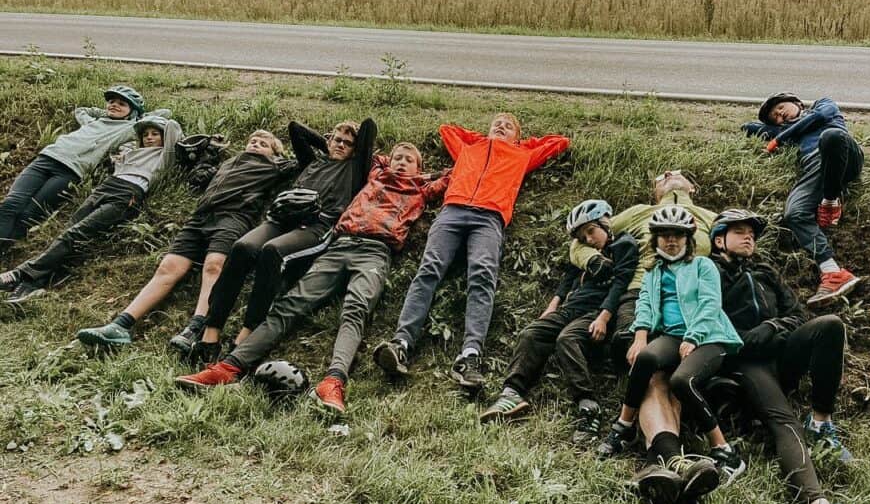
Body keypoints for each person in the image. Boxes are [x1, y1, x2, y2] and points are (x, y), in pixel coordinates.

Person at [174, 143, 450, 414]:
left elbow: (454, 175)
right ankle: (228, 367)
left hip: (375, 252)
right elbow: (368, 145)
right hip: (339, 245)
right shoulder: (374, 175)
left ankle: (333, 382)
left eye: (409, 160)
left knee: (355, 311)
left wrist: (426, 176)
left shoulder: (422, 189)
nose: (401, 162)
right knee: (290, 303)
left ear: (420, 168)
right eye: (397, 157)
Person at [708, 208, 870, 504]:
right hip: (744, 364)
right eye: (739, 231)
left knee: (829, 325)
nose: (749, 236)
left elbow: (796, 314)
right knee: (783, 421)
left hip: (779, 353)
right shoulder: (708, 273)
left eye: (752, 232)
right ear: (719, 239)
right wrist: (744, 339)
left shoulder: (765, 271)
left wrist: (771, 327)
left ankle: (821, 421)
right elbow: (707, 319)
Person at [372, 114, 570, 392]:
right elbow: (447, 129)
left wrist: (518, 145)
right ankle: (401, 343)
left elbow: (560, 141)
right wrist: (484, 141)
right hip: (452, 211)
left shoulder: (522, 155)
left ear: (518, 136)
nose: (501, 125)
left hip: (489, 218)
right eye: (496, 122)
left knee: (482, 277)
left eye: (508, 125)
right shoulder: (469, 148)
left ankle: (470, 356)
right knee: (429, 270)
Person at [76, 130, 295, 349]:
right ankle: (120, 325)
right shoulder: (229, 162)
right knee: (168, 267)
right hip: (200, 216)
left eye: (263, 144)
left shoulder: (275, 166)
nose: (255, 145)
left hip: (234, 216)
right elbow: (197, 178)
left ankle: (196, 328)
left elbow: (303, 160)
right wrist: (209, 154)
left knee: (213, 266)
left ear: (275, 153)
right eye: (252, 141)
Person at [187, 119, 377, 364]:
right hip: (281, 218)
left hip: (316, 225)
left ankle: (246, 333)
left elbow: (369, 129)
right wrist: (329, 144)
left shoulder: (354, 169)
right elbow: (295, 129)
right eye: (337, 140)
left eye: (348, 143)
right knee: (242, 248)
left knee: (272, 251)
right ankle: (211, 334)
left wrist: (348, 142)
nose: (341, 145)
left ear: (355, 148)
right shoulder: (313, 161)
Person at [565, 171, 715, 454]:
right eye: (662, 175)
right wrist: (593, 260)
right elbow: (579, 240)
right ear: (655, 191)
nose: (670, 174)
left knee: (674, 374)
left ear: (692, 188)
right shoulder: (639, 213)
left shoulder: (709, 216)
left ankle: (666, 451)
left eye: (679, 174)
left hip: (687, 304)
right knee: (648, 370)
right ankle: (666, 452)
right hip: (639, 293)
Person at [479, 199, 637, 441]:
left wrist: (604, 317)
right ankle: (512, 393)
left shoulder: (624, 244)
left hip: (596, 312)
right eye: (583, 237)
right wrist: (552, 306)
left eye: (591, 231)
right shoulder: (584, 254)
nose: (589, 239)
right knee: (531, 333)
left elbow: (621, 283)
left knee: (567, 339)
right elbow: (568, 277)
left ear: (606, 223)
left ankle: (588, 406)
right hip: (571, 307)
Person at [623, 205, 746, 504]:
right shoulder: (653, 273)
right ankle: (624, 428)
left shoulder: (703, 266)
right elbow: (646, 306)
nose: (671, 241)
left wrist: (692, 336)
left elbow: (709, 304)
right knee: (647, 361)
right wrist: (640, 336)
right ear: (655, 241)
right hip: (670, 338)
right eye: (664, 236)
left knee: (680, 381)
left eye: (677, 235)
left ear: (689, 239)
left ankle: (723, 450)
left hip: (706, 337)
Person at [1, 116, 181, 303]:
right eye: (145, 135)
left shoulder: (164, 156)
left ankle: (20, 274)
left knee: (75, 234)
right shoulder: (132, 152)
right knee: (67, 233)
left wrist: (149, 119)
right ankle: (31, 285)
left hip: (127, 195)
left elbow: (173, 127)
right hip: (106, 187)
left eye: (155, 134)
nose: (149, 138)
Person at [0, 85, 160, 251]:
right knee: (11, 203)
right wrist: (102, 113)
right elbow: (81, 110)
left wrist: (139, 115)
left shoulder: (129, 129)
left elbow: (164, 115)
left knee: (30, 214)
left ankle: (5, 250)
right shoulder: (93, 121)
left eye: (122, 103)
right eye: (111, 101)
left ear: (133, 111)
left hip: (69, 172)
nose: (114, 105)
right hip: (46, 159)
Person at [742, 94, 863, 306]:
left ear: (797, 103)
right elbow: (748, 127)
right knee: (794, 212)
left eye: (780, 107)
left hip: (844, 153)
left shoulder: (822, 105)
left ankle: (830, 199)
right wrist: (776, 131)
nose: (780, 114)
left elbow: (820, 115)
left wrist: (779, 139)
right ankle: (833, 272)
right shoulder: (785, 130)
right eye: (775, 117)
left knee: (831, 136)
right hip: (815, 166)